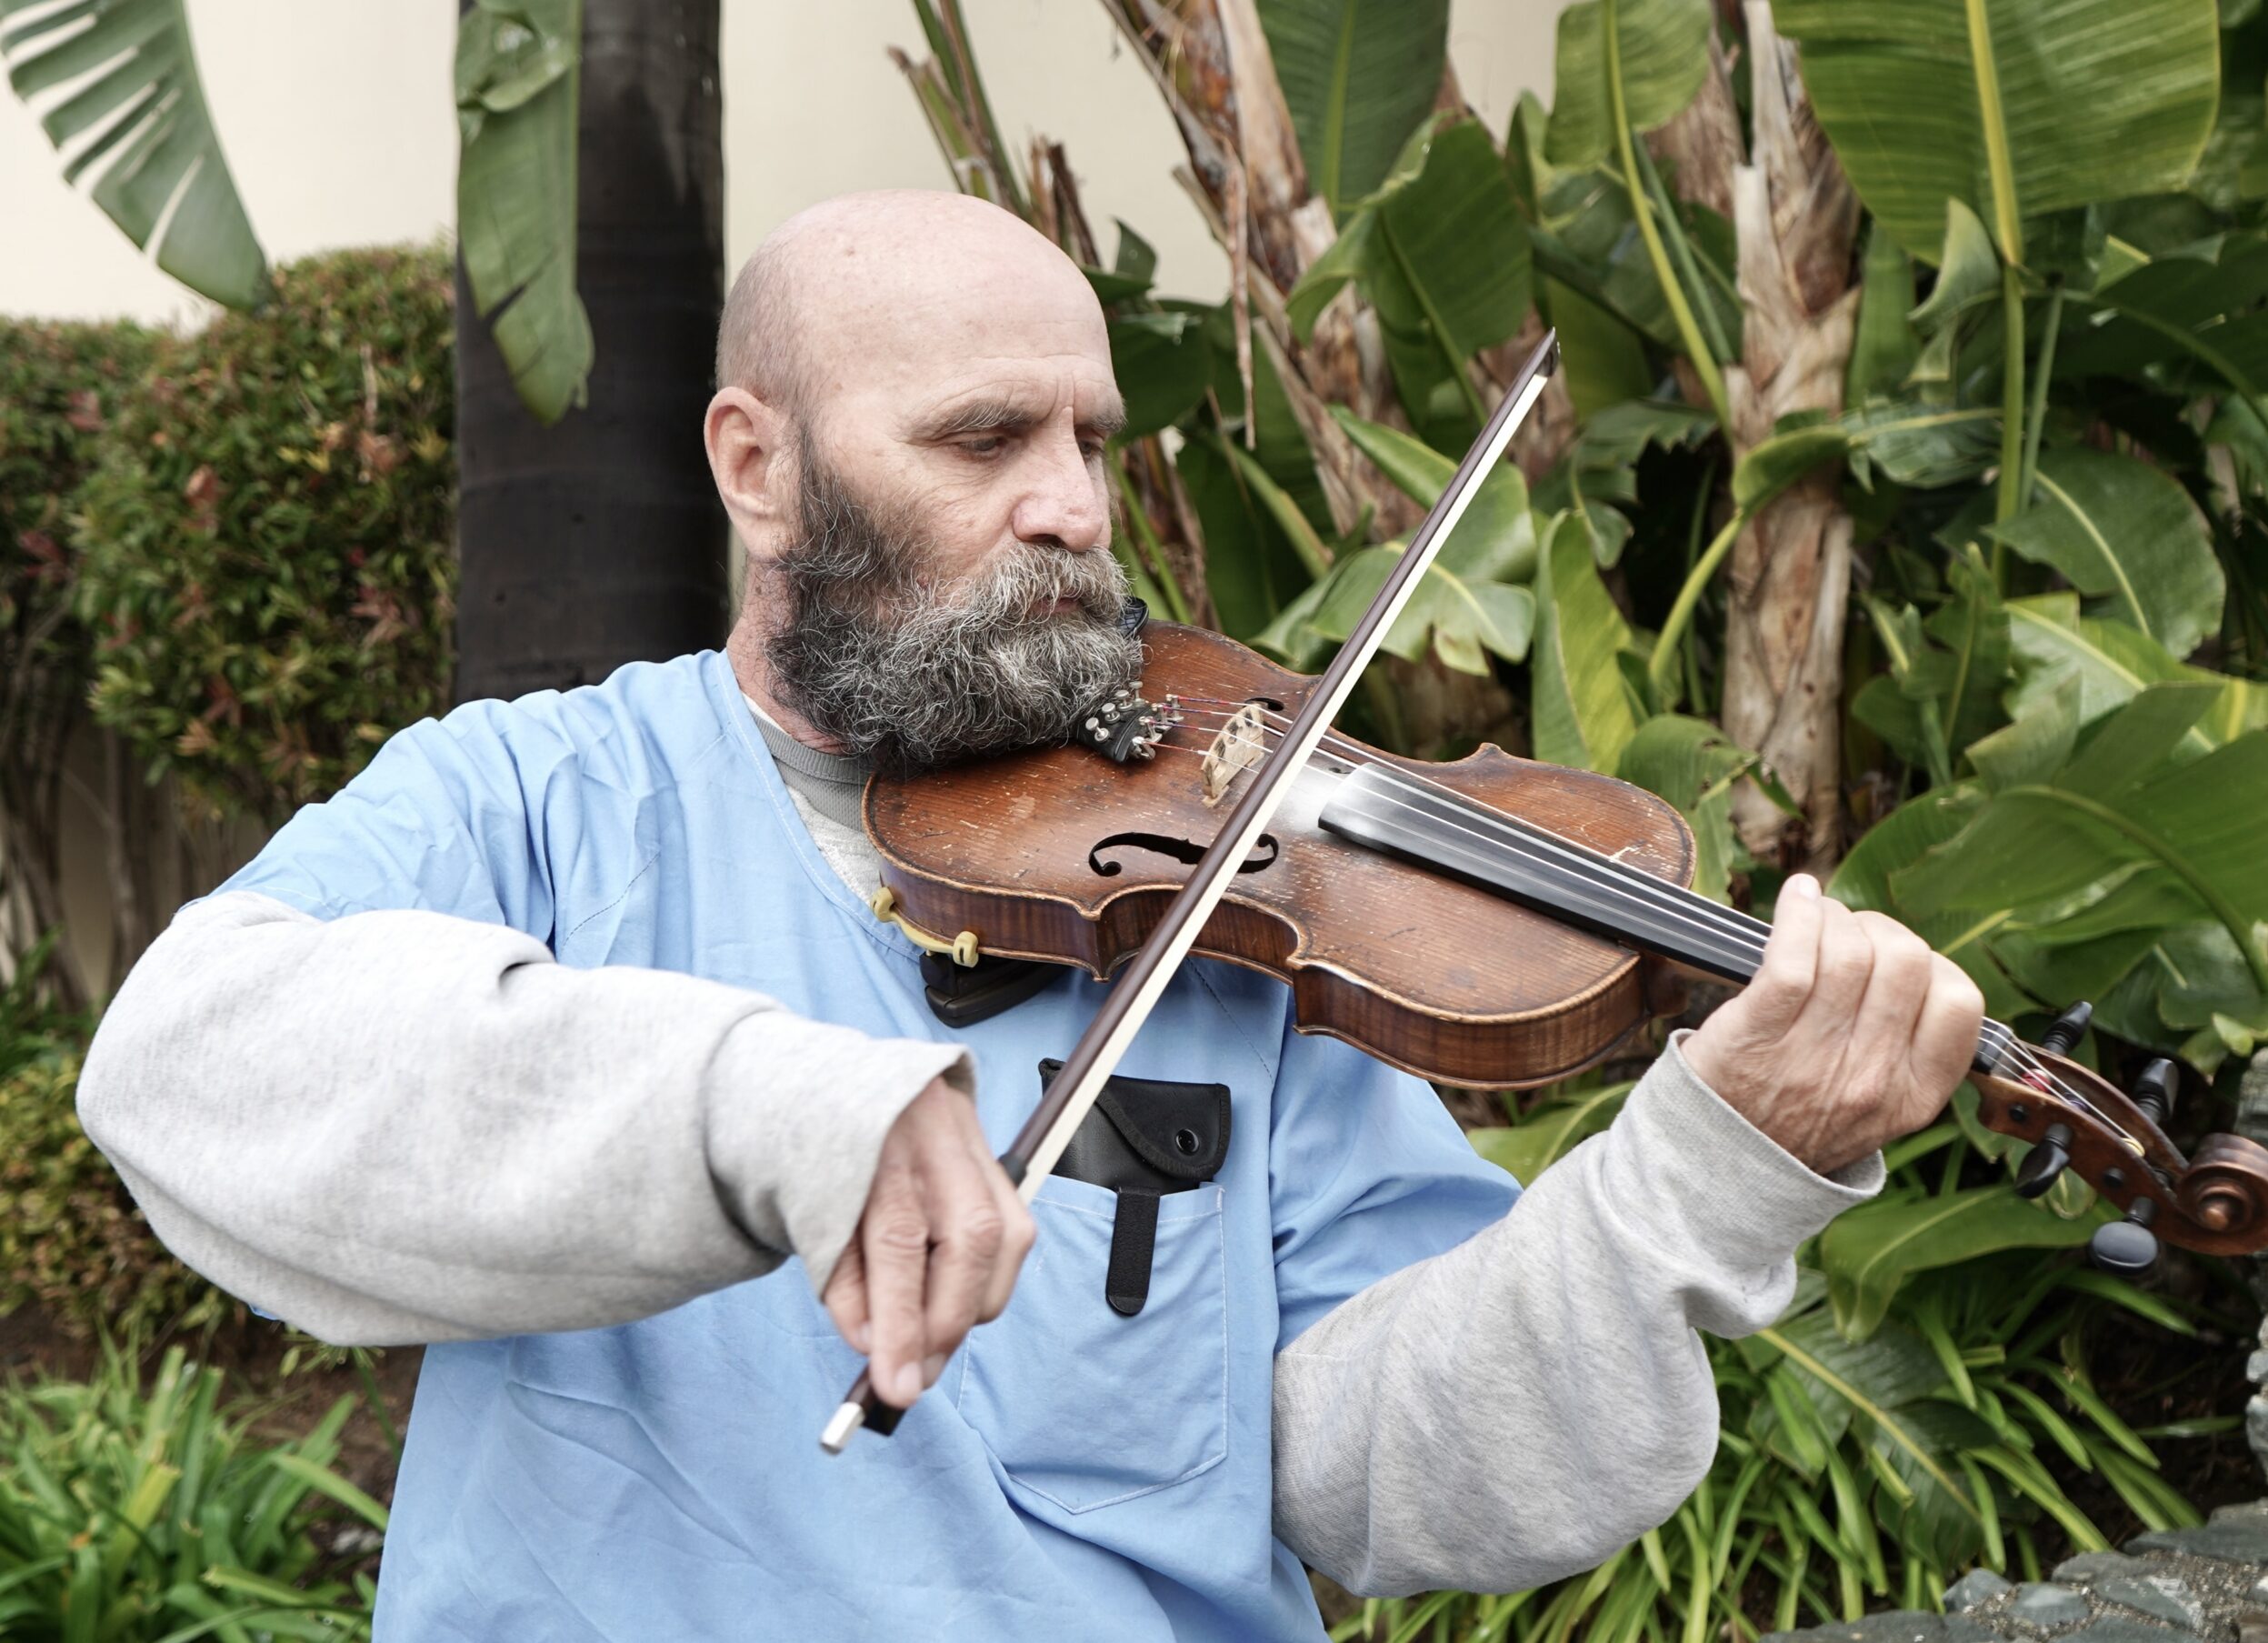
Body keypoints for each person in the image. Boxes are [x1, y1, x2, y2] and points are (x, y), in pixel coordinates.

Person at [77, 191, 1987, 1642]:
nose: (1070, 502)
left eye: (1081, 440)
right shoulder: (540, 798)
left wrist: (1706, 1180)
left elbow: (1377, 1473)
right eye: (982, 441)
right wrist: (772, 1106)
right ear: (758, 466)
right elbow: (190, 1063)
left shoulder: (1240, 902)